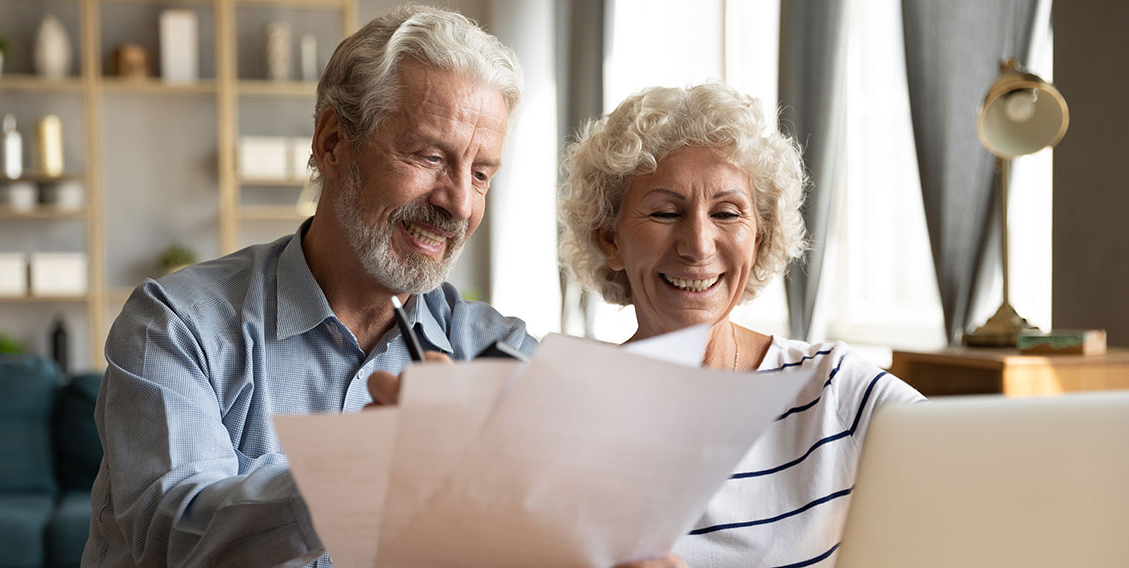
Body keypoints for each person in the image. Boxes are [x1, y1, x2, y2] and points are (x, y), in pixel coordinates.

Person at [82, 6, 536, 567]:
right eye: (429, 155)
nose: (460, 203)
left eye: (481, 173)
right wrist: (361, 475)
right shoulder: (177, 325)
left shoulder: (501, 357)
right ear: (332, 143)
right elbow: (175, 538)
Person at [560, 83, 925, 568]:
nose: (698, 244)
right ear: (610, 240)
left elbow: (981, 487)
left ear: (761, 237)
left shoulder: (837, 393)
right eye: (666, 212)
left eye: (727, 213)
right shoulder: (560, 416)